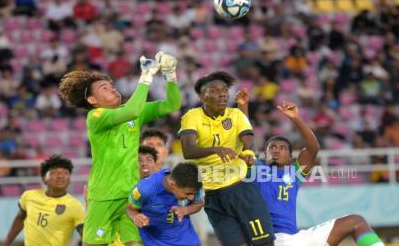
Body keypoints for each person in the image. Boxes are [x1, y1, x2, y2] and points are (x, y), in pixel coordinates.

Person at [59, 51, 180, 246]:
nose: (113, 90)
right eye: (104, 88)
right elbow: (132, 109)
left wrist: (170, 75)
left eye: (112, 86)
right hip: (104, 195)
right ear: (92, 100)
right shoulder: (96, 116)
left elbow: (172, 104)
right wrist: (146, 76)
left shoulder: (132, 112)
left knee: (136, 242)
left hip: (131, 194)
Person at [237, 93, 385, 246]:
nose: (276, 150)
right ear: (265, 154)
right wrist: (243, 106)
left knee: (355, 221)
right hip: (265, 239)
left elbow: (313, 148)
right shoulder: (256, 168)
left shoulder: (294, 174)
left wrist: (296, 118)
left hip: (294, 239)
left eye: (282, 148)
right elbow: (245, 143)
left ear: (290, 158)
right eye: (272, 147)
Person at [178, 71, 275, 246]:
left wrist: (249, 154)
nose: (222, 94)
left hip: (242, 188)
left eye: (224, 90)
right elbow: (188, 150)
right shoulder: (192, 116)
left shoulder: (236, 115)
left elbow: (250, 141)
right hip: (213, 195)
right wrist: (216, 149)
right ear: (202, 96)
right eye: (214, 90)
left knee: (264, 243)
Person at [3, 155, 84, 246]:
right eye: (54, 173)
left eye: (66, 173)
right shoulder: (29, 196)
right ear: (43, 179)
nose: (61, 176)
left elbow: (86, 236)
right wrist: (6, 243)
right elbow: (20, 217)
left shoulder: (75, 206)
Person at [126, 162, 203, 246]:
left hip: (190, 242)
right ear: (172, 184)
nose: (191, 198)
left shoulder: (193, 182)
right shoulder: (145, 189)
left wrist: (185, 210)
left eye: (193, 194)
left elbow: (198, 204)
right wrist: (136, 217)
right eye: (187, 194)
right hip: (156, 242)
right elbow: (130, 209)